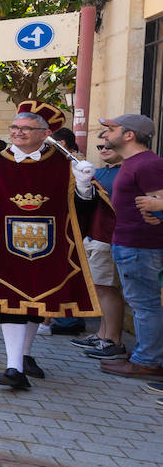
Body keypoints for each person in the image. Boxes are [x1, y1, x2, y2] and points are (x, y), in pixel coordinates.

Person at [0, 103, 100, 388]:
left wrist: (85, 185)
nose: (18, 133)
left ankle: (24, 355)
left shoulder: (65, 164)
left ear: (44, 133)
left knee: (38, 299)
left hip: (51, 245)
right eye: (14, 128)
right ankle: (14, 367)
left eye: (25, 129)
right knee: (9, 300)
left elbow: (85, 207)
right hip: (2, 244)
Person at [97, 114, 163, 380]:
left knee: (144, 305)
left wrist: (156, 211)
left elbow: (158, 199)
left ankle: (148, 360)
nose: (105, 135)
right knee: (141, 303)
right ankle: (145, 356)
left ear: (129, 135)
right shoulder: (134, 162)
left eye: (111, 129)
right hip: (130, 243)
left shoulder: (147, 163)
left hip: (140, 245)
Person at [69, 137, 125, 361]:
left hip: (109, 235)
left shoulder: (125, 172)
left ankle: (113, 339)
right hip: (93, 234)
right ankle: (102, 334)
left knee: (107, 288)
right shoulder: (101, 172)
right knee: (99, 288)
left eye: (109, 145)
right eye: (100, 146)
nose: (104, 149)